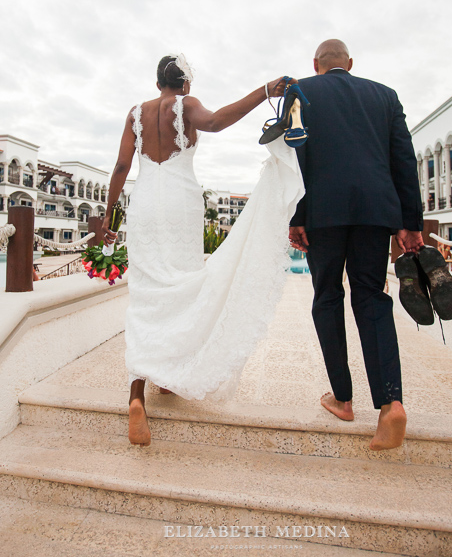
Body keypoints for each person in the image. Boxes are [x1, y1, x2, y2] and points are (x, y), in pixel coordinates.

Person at [102, 54, 304, 446]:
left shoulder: (134, 114)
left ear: (157, 79)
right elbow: (214, 122)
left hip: (144, 205)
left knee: (145, 295)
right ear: (185, 83)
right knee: (181, 287)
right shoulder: (186, 106)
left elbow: (121, 167)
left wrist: (108, 221)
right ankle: (170, 372)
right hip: (180, 204)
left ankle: (137, 394)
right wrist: (263, 92)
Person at [289, 39, 423, 451]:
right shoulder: (385, 96)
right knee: (371, 298)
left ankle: (343, 400)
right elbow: (404, 159)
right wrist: (409, 223)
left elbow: (294, 156)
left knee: (327, 296)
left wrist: (297, 217)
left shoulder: (300, 91)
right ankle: (390, 403)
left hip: (323, 212)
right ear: (350, 63)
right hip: (374, 211)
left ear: (316, 64)